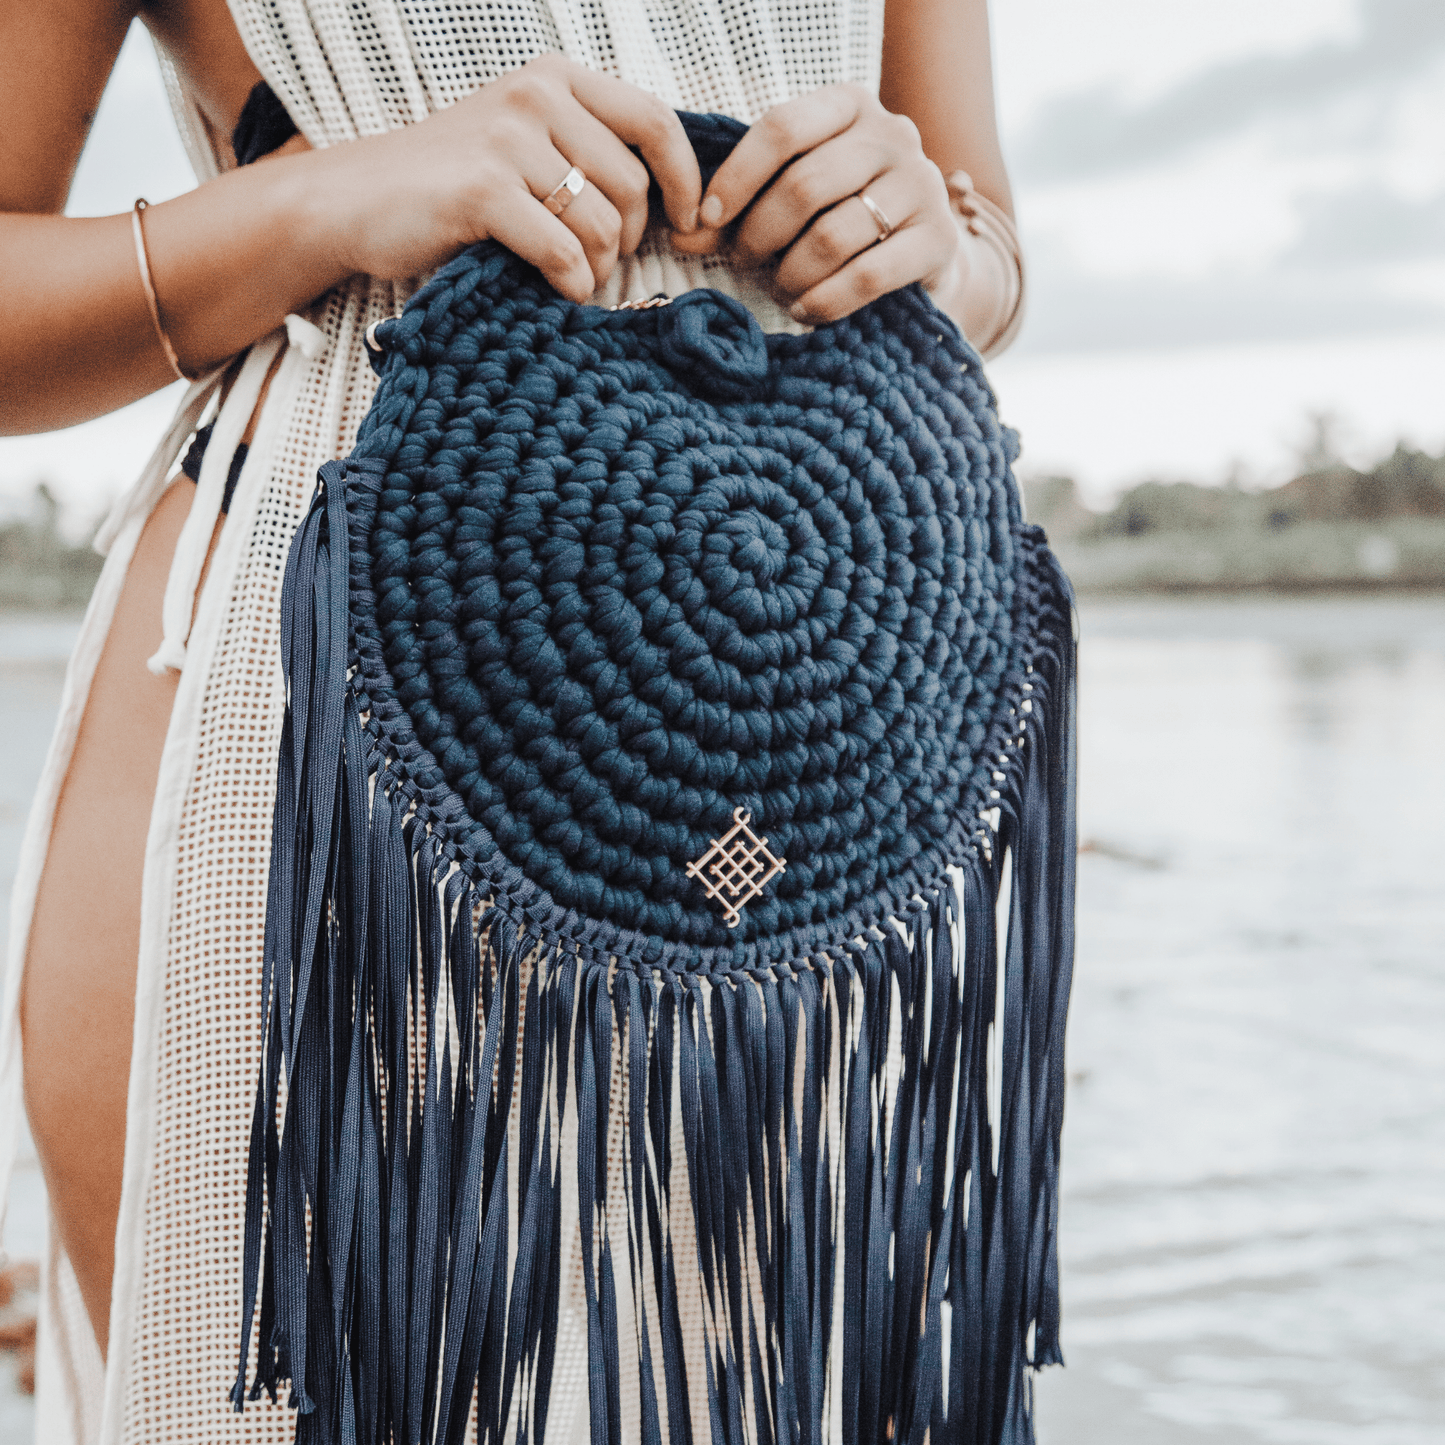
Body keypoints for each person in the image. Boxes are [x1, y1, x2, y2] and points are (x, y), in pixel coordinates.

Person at [0, 0, 1024, 1437]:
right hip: (325, 747)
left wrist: (933, 247)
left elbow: (987, 249)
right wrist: (327, 196)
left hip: (829, 771)